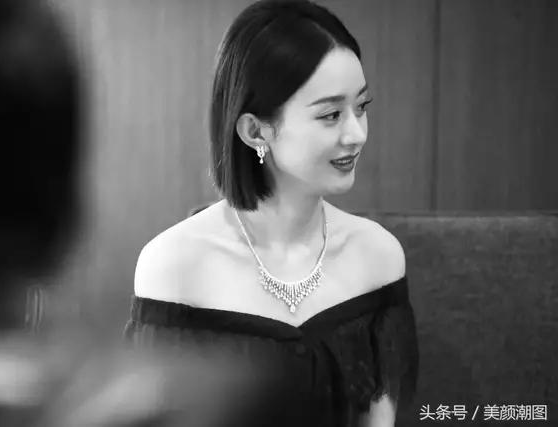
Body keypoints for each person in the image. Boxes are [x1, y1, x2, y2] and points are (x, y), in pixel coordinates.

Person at [126, 0, 419, 426]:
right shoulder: (173, 267)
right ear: (254, 130)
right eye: (331, 115)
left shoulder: (378, 257)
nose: (356, 133)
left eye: (361, 107)